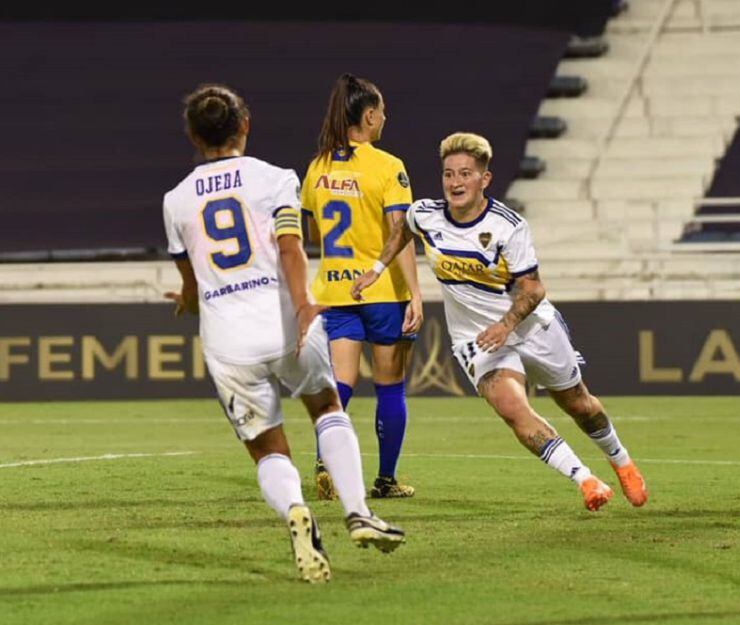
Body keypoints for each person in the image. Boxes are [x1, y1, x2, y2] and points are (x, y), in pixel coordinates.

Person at [162, 84, 405, 583]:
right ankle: (359, 510)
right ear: (244, 125)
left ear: (192, 135)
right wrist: (302, 305)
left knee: (268, 448)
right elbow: (291, 248)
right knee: (326, 410)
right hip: (284, 322)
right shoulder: (275, 178)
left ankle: (296, 511)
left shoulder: (175, 200)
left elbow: (189, 281)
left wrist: (188, 300)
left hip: (227, 341)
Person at [351, 132, 648, 512]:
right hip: (475, 339)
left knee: (580, 405)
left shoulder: (509, 227)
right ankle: (586, 480)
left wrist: (506, 325)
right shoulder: (424, 213)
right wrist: (376, 269)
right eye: (448, 174)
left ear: (484, 179)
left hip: (530, 328)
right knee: (512, 409)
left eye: (465, 174)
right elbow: (402, 231)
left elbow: (534, 289)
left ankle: (621, 460)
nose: (455, 183)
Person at [301, 74, 422, 500]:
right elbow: (400, 233)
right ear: (369, 116)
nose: (385, 117)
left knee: (341, 382)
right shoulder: (388, 166)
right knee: (390, 385)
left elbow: (314, 233)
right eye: (382, 110)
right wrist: (416, 294)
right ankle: (385, 480)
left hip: (335, 291)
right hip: (382, 291)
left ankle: (323, 459)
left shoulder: (317, 167)